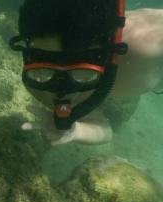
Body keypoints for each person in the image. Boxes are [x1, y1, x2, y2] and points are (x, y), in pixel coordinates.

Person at [10, 0, 163, 146]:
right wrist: (75, 131)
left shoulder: (147, 46)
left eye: (82, 73)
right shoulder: (38, 83)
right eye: (45, 69)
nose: (63, 89)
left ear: (108, 54)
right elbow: (103, 128)